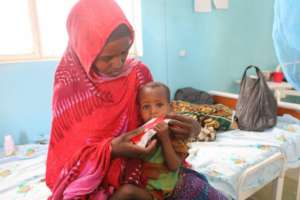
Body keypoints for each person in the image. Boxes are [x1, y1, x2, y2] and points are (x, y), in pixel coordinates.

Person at [45, 0, 226, 199]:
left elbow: (156, 120)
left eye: (124, 53)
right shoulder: (68, 85)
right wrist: (111, 150)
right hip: (98, 185)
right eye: (107, 57)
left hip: (150, 172)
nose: (118, 63)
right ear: (84, 50)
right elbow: (65, 157)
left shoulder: (138, 74)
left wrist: (188, 129)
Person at [110, 82, 189, 200]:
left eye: (159, 105)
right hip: (141, 184)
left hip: (159, 192)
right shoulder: (142, 130)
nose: (153, 111)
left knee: (127, 191)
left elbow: (174, 166)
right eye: (146, 106)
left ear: (170, 107)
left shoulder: (175, 132)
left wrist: (165, 138)